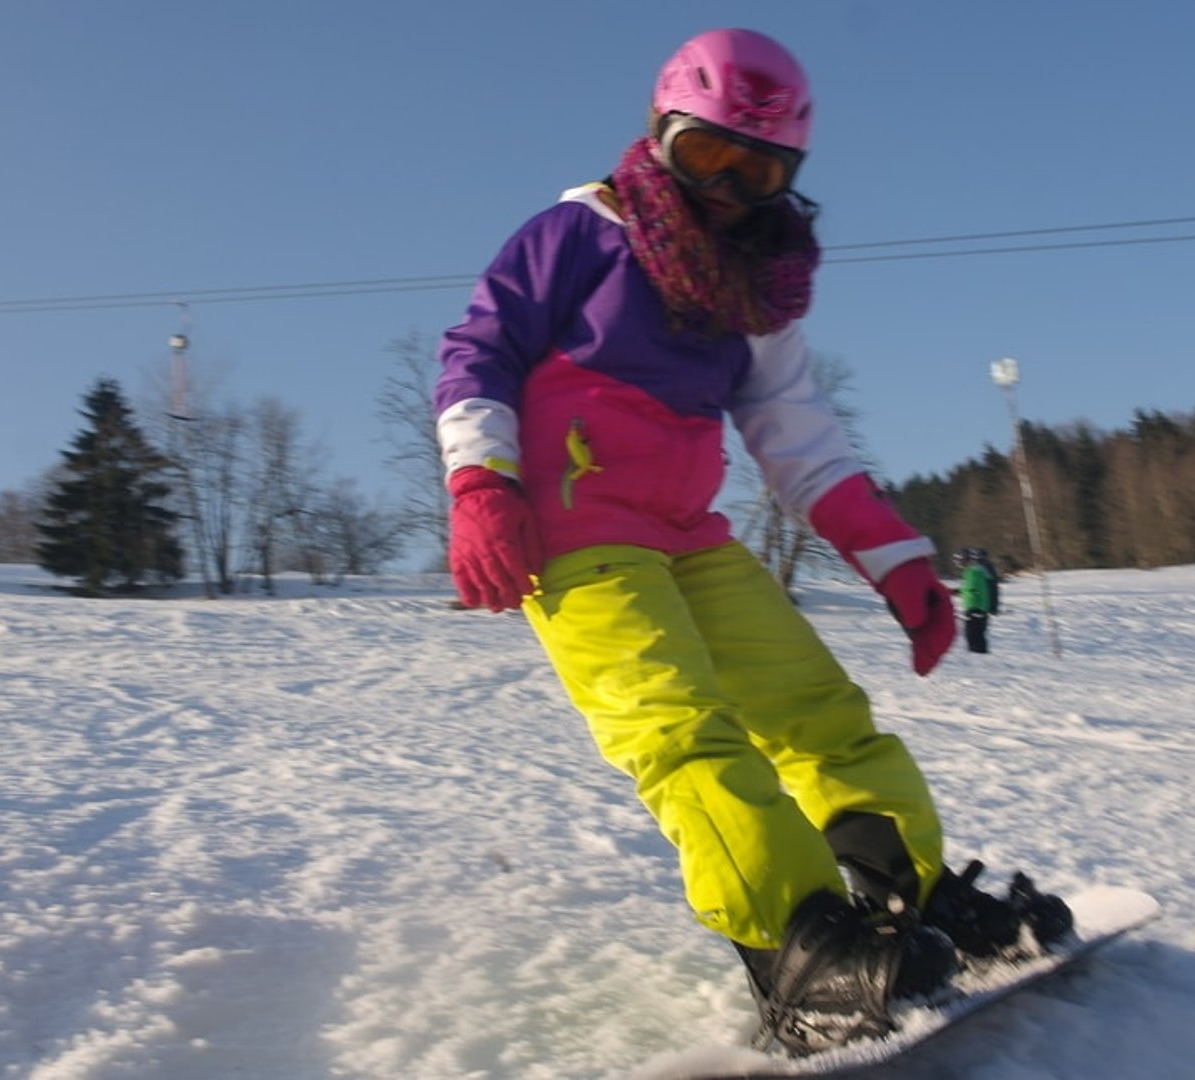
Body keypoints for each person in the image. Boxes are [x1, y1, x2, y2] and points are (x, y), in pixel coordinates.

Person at [433, 28, 1069, 1055]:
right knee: (682, 732)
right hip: (576, 535)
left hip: (688, 535)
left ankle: (905, 898)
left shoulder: (755, 293)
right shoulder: (579, 234)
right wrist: (481, 482)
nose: (728, 192)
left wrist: (898, 558)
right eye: (706, 158)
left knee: (818, 710)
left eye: (758, 169)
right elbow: (479, 348)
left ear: (789, 180)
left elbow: (800, 439)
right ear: (658, 137)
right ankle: (801, 946)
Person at [957, 549, 994, 654]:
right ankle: (980, 656)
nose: (959, 563)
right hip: (978, 607)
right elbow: (970, 588)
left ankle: (978, 658)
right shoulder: (975, 572)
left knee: (973, 636)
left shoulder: (973, 572)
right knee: (977, 636)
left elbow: (973, 590)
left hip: (975, 608)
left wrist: (973, 608)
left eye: (960, 560)